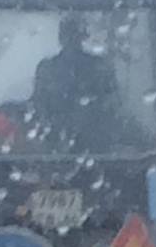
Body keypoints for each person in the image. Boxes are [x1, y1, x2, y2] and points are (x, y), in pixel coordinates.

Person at [29, 13, 121, 151]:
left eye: (75, 33)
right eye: (68, 33)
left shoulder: (99, 66)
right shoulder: (47, 68)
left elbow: (110, 105)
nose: (71, 39)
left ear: (83, 36)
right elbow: (39, 105)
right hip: (54, 141)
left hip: (95, 142)